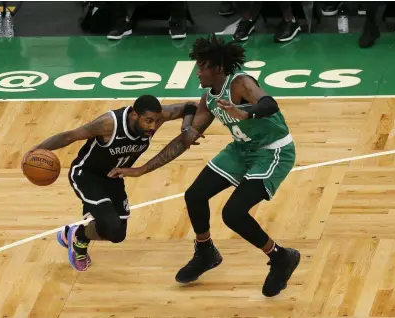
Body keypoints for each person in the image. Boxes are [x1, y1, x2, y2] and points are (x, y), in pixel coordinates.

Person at [108, 34, 300, 297]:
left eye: (202, 67)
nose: (197, 72)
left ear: (218, 68)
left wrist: (245, 112)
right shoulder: (208, 99)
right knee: (195, 195)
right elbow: (184, 141)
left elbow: (269, 103)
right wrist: (140, 170)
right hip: (242, 150)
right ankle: (206, 251)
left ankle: (280, 257)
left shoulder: (241, 83)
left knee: (233, 214)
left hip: (272, 151)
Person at [21, 95, 199, 272]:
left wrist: (186, 128)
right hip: (87, 175)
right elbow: (70, 136)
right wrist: (36, 150)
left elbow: (190, 106)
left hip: (114, 177)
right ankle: (79, 239)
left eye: (156, 121)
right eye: (148, 121)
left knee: (117, 235)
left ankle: (74, 233)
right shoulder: (109, 124)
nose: (153, 126)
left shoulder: (157, 117)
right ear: (134, 115)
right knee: (110, 223)